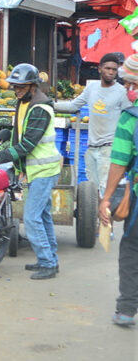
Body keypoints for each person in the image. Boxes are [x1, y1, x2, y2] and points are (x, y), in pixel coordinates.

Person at [0, 64, 61, 280]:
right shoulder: (24, 103)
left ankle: (47, 262)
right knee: (43, 215)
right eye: (14, 86)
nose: (15, 90)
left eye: (20, 87)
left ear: (32, 86)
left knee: (31, 217)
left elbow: (27, 144)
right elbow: (20, 132)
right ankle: (50, 259)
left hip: (44, 169)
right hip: (34, 169)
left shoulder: (40, 108)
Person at [55, 53, 131, 197]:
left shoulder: (121, 92)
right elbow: (73, 106)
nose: (111, 72)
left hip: (109, 149)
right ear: (100, 69)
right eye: (107, 68)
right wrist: (48, 104)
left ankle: (106, 220)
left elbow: (129, 118)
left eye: (114, 70)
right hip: (91, 148)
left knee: (105, 191)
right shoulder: (92, 88)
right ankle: (99, 219)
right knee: (93, 192)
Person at [98, 52, 138, 327]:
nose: (127, 89)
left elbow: (119, 161)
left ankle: (126, 309)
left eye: (131, 84)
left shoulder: (130, 118)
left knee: (132, 248)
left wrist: (106, 199)